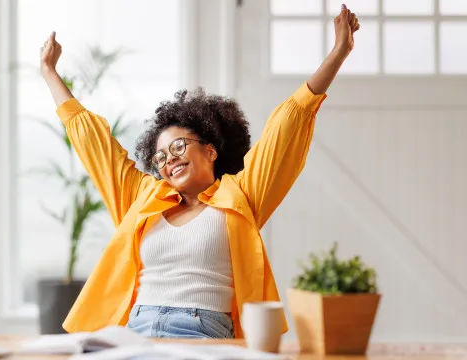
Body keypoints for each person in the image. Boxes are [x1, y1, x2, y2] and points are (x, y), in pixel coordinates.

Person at [39, 4, 360, 339]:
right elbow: (95, 145)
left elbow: (287, 126)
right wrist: (50, 74)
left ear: (211, 149)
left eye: (179, 146)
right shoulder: (143, 198)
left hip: (201, 329)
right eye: (160, 157)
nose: (169, 160)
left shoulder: (241, 196)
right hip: (136, 328)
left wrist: (338, 53)